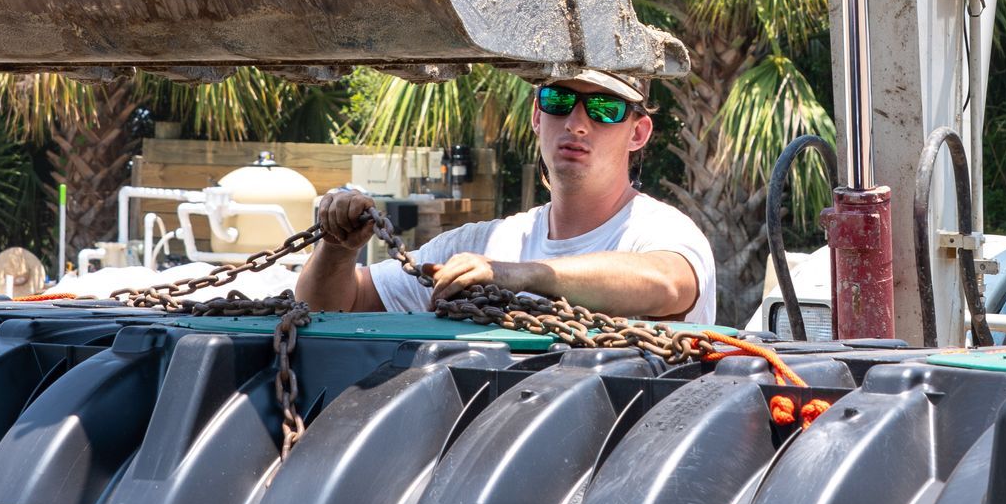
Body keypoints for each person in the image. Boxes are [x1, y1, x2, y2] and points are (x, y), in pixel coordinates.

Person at [298, 69, 716, 326]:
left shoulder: (659, 231)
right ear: (537, 115)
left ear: (638, 134)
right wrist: (336, 250)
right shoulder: (479, 246)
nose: (577, 123)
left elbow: (667, 282)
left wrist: (520, 274)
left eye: (605, 108)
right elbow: (334, 307)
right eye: (560, 99)